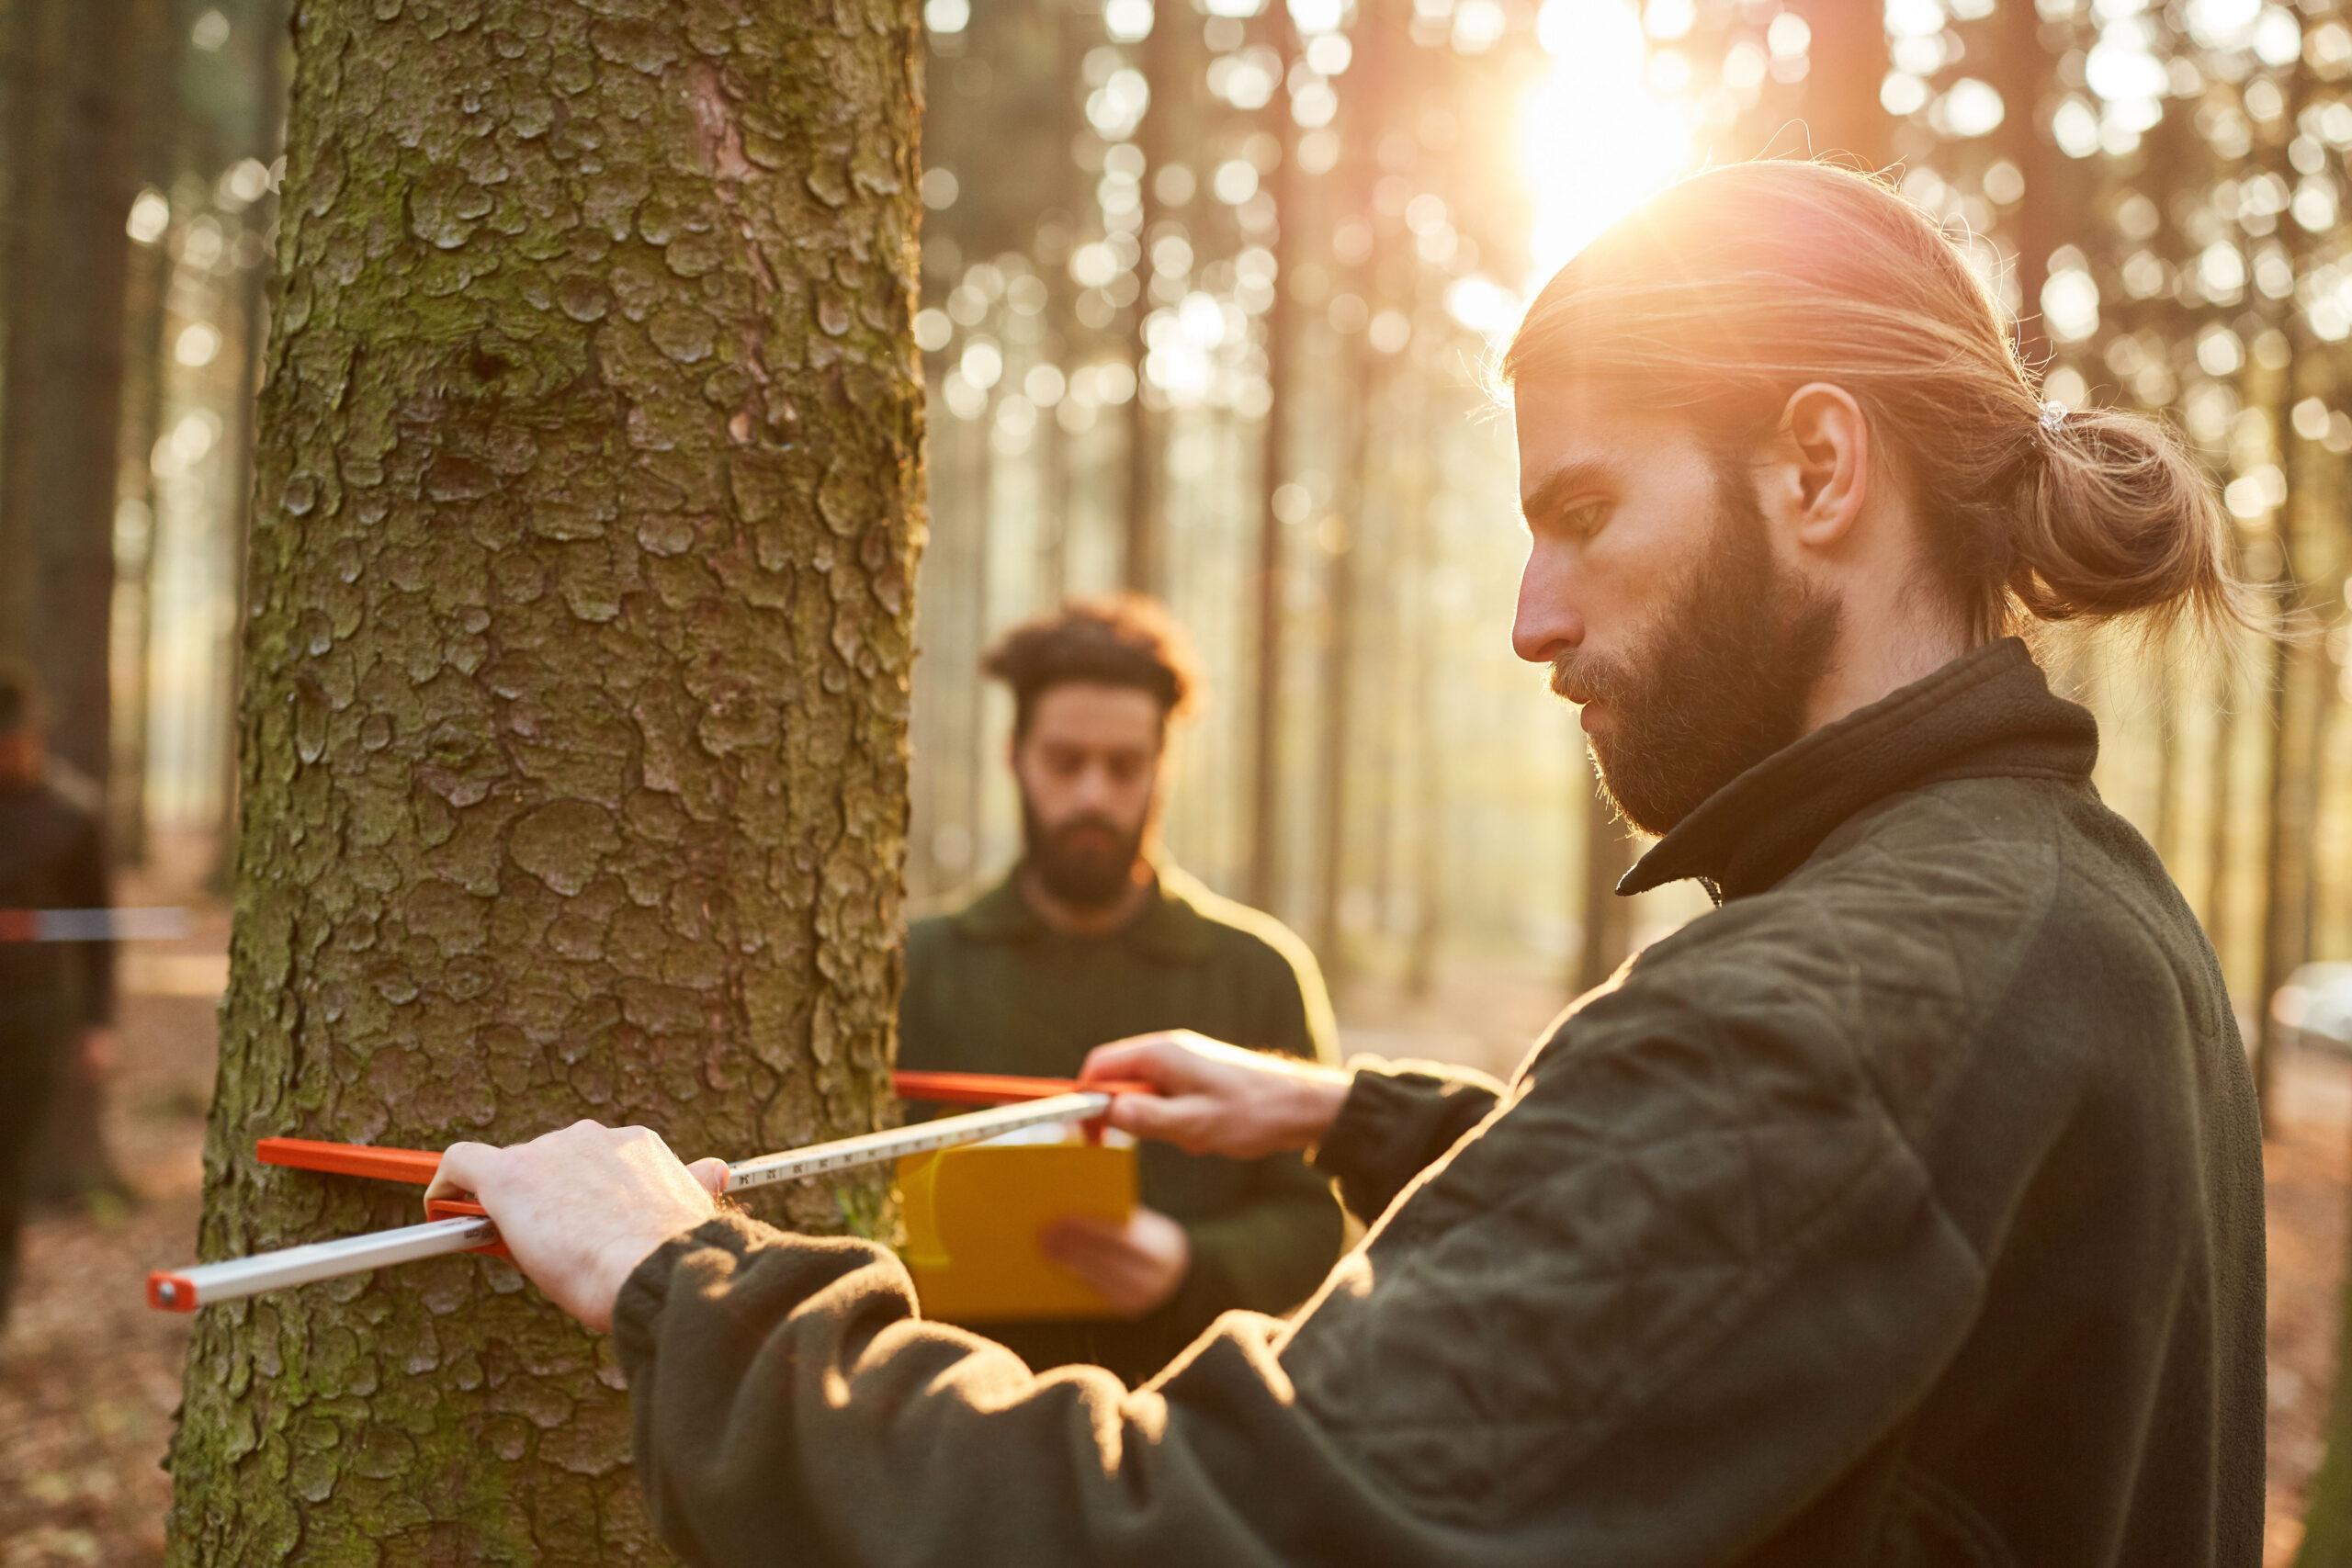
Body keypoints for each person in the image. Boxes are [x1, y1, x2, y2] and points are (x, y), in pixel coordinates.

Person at [430, 162, 2265, 1564]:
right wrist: (1348, 1117)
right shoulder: (2068, 901)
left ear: (1811, 468)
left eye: (1581, 514)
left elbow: (1191, 1525)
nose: (1531, 619)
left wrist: (694, 1286)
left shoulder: (1846, 1004)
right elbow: (1794, 1274)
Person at [895, 596, 1343, 1384]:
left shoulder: (1256, 970)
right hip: (945, 1426)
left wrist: (1187, 1265)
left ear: (1162, 767)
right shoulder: (919, 966)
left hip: (1193, 1427)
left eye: (1124, 765)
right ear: (1016, 757)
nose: (1093, 795)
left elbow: (1314, 1216)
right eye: (1066, 761)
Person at [0, 663, 116, 1330]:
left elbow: (99, 928)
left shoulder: (72, 813)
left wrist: (99, 1022)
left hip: (30, 1019)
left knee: (7, 1173)